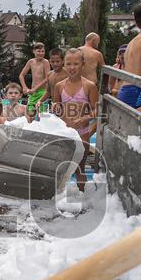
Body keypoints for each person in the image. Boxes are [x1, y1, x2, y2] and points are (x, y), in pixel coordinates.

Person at [54, 48, 98, 191]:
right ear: (64, 65)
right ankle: (57, 199)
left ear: (83, 64)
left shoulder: (89, 86)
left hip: (82, 132)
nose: (72, 67)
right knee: (59, 167)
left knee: (80, 168)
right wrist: (56, 110)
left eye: (76, 64)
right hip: (64, 132)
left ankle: (82, 198)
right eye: (69, 64)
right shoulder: (59, 86)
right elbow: (57, 108)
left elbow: (97, 109)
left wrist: (86, 117)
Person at [19, 42, 50, 118]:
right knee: (30, 114)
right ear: (34, 51)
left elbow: (47, 78)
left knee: (43, 116)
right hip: (33, 94)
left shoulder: (45, 62)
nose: (41, 53)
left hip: (43, 92)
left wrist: (35, 89)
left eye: (43, 51)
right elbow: (21, 75)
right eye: (39, 51)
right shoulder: (31, 62)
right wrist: (24, 87)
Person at [42, 50, 67, 115]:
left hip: (66, 106)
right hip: (54, 106)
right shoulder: (49, 74)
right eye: (52, 62)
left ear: (63, 61)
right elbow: (48, 91)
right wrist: (40, 101)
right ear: (49, 61)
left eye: (58, 61)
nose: (55, 64)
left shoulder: (67, 73)